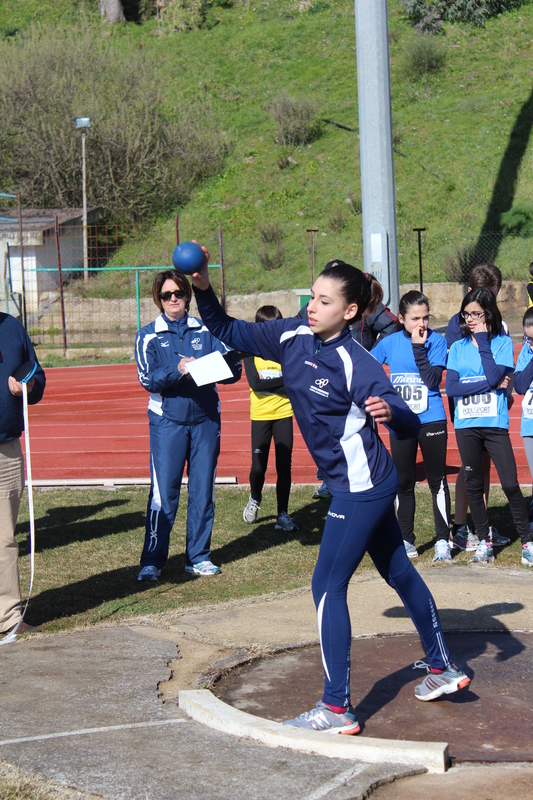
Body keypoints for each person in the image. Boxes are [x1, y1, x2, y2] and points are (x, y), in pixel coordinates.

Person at [191, 247, 470, 733]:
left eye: (323, 301)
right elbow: (227, 329)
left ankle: (336, 707)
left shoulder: (356, 361)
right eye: (312, 297)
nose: (312, 306)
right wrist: (201, 285)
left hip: (360, 486)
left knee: (326, 586)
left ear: (350, 311)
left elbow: (408, 419)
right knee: (399, 571)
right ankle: (444, 667)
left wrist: (393, 412)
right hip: (365, 482)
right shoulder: (292, 334)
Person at [134, 269, 241, 580]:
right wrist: (178, 368)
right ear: (158, 299)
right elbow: (146, 378)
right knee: (163, 494)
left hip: (206, 420)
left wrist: (213, 368)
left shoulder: (206, 329)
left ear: (187, 296)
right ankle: (152, 561)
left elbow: (234, 369)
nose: (173, 300)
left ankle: (198, 556)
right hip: (167, 422)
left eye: (179, 294)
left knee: (202, 491)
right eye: (166, 295)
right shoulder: (148, 335)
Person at [298, 261, 397, 500]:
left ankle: (371, 474)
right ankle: (328, 477)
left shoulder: (365, 307)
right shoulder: (321, 308)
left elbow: (391, 323)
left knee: (360, 425)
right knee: (325, 423)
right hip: (327, 371)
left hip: (355, 377)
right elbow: (301, 322)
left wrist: (372, 353)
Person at [446, 287, 530, 565]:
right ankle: (484, 541)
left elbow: (497, 373)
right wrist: (487, 384)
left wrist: (483, 341)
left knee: (509, 484)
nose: (470, 319)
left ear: (489, 314)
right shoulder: (457, 347)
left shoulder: (503, 344)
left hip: (494, 424)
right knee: (473, 484)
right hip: (466, 425)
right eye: (466, 314)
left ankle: (528, 542)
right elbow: (453, 388)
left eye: (476, 314)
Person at [373, 291, 451, 562]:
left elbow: (432, 381)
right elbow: (367, 367)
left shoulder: (437, 342)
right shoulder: (390, 343)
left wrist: (419, 347)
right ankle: (406, 539)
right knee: (403, 481)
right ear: (402, 319)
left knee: (436, 480)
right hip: (401, 422)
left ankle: (443, 539)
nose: (422, 323)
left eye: (426, 317)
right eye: (415, 318)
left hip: (431, 418)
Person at [445, 263, 511, 552]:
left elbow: (503, 373)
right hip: (467, 406)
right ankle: (461, 526)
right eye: (488, 296)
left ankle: (480, 527)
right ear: (472, 292)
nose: (491, 304)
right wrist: (490, 383)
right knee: (470, 466)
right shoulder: (457, 325)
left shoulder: (498, 324)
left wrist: (503, 389)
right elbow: (458, 374)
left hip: (493, 407)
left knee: (483, 465)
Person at [0, 312, 46, 638]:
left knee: (4, 539)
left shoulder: (12, 326)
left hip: (7, 448)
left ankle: (8, 617)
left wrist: (26, 387)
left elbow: (37, 375)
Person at [242, 306, 297, 532]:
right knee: (258, 467)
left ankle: (282, 513)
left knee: (284, 466)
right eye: (265, 325)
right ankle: (255, 498)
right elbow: (255, 383)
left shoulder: (287, 350)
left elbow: (293, 382)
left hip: (284, 414)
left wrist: (273, 383)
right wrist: (282, 381)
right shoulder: (249, 350)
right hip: (261, 416)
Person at [511, 307, 533, 566]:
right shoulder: (527, 352)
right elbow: (519, 385)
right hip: (530, 425)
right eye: (528, 338)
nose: (530, 343)